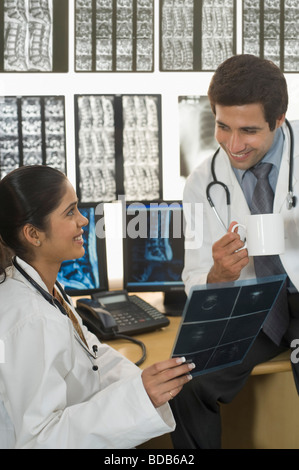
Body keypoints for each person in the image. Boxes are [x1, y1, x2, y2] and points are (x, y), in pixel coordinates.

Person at [0, 165, 194, 449]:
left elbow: (94, 356)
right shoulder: (30, 320)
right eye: (70, 212)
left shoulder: (43, 289)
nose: (83, 220)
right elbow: (39, 440)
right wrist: (140, 398)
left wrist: (143, 383)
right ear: (33, 234)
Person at [170, 54, 299, 449]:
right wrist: (217, 275)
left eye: (248, 130)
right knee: (184, 381)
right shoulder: (201, 183)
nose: (233, 145)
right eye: (223, 127)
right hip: (249, 304)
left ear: (278, 120)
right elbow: (194, 276)